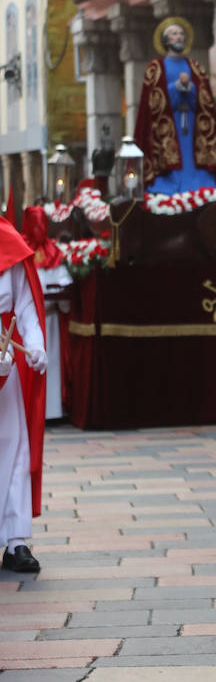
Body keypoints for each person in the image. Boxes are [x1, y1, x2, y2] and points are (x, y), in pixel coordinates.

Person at [0, 212, 47, 573]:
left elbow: (25, 304)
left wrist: (34, 344)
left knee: (13, 445)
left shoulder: (8, 240)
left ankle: (16, 541)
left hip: (6, 355)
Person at [133, 17, 216, 193]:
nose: (179, 37)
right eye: (174, 34)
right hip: (168, 124)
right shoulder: (155, 68)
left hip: (192, 124)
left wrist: (189, 88)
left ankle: (198, 182)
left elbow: (205, 102)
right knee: (170, 156)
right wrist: (177, 87)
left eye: (182, 34)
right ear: (166, 40)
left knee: (192, 155)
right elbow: (151, 103)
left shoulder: (196, 67)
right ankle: (168, 184)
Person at [21, 207, 71, 421]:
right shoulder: (20, 251)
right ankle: (29, 411)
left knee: (50, 362)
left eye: (41, 224)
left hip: (50, 318)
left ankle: (52, 412)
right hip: (26, 320)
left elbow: (65, 282)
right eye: (34, 225)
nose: (38, 229)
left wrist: (60, 292)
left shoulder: (54, 252)